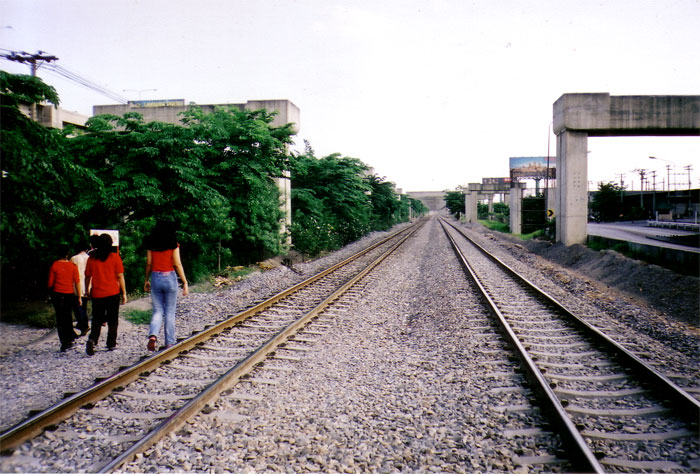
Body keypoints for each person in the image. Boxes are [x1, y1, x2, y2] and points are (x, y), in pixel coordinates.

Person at [143, 221, 189, 351]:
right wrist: (185, 282)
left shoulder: (151, 245)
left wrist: (146, 279)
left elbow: (149, 264)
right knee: (169, 311)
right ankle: (169, 342)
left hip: (156, 277)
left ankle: (153, 335)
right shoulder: (174, 245)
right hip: (169, 277)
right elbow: (177, 264)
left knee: (157, 310)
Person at [84, 233, 127, 355]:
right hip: (112, 293)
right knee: (113, 319)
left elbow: (87, 276)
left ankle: (93, 339)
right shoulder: (115, 257)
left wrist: (87, 290)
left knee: (97, 319)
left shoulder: (91, 258)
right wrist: (124, 293)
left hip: (97, 294)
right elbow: (120, 276)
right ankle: (111, 343)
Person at [48, 245, 82, 351]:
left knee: (60, 318)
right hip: (69, 295)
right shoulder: (73, 266)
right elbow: (77, 282)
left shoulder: (54, 265)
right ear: (67, 254)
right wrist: (79, 297)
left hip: (57, 295)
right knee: (68, 317)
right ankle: (70, 339)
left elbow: (50, 283)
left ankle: (64, 342)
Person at [70, 244, 91, 336]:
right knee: (84, 306)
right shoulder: (90, 258)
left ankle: (83, 325)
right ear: (86, 249)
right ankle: (83, 324)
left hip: (76, 285)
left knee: (77, 307)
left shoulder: (74, 258)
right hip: (87, 285)